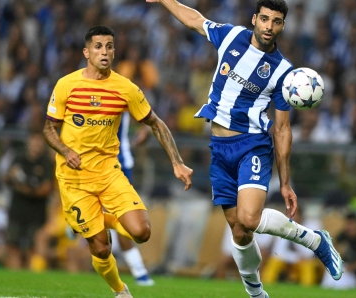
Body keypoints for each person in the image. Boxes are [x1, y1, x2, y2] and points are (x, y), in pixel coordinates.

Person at [146, 1, 342, 297]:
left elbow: (282, 128)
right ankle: (256, 292)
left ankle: (315, 241)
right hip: (219, 147)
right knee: (240, 231)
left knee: (249, 218)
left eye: (276, 21)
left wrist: (285, 182)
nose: (268, 26)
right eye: (264, 19)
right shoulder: (231, 36)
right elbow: (194, 20)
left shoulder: (283, 72)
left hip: (252, 145)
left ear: (282, 26)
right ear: (254, 19)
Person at [43, 26, 193, 298]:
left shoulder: (126, 88)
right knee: (101, 248)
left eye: (109, 46)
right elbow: (48, 129)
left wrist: (177, 161)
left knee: (141, 232)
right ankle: (121, 291)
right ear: (87, 52)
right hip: (74, 180)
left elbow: (156, 124)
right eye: (98, 46)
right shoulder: (66, 85)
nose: (105, 51)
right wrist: (66, 151)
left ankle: (106, 218)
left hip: (109, 173)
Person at [113, 112, 155, 286]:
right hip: (89, 165)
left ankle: (139, 271)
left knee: (124, 220)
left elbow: (148, 119)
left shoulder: (122, 89)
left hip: (119, 164)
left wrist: (145, 130)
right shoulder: (81, 88)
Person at [5, 132, 54, 269]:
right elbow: (7, 178)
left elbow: (46, 188)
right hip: (17, 210)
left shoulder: (46, 162)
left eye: (40, 142)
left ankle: (31, 279)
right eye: (34, 141)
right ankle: (14, 278)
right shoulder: (18, 158)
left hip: (36, 213)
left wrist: (23, 187)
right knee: (13, 247)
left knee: (33, 249)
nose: (37, 145)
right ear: (29, 142)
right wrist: (12, 177)